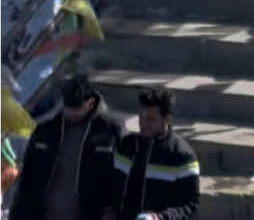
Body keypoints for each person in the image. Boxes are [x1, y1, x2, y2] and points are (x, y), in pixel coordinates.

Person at [10, 76, 119, 220]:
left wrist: (110, 210)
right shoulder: (46, 130)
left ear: (91, 103)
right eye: (68, 108)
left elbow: (117, 179)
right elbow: (27, 176)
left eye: (77, 109)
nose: (72, 114)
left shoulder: (108, 134)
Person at [111, 89, 199, 220]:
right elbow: (110, 187)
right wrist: (108, 210)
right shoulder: (126, 145)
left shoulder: (182, 156)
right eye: (141, 117)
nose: (144, 124)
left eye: (151, 119)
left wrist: (159, 217)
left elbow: (189, 206)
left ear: (167, 119)